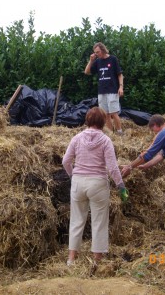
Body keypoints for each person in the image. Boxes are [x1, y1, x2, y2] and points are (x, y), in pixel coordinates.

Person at [62, 107, 128, 266]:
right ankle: (96, 261)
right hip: (98, 183)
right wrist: (121, 186)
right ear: (103, 122)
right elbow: (112, 168)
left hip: (78, 182)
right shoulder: (105, 140)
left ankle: (71, 259)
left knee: (77, 220)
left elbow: (65, 161)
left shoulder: (77, 138)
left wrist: (73, 175)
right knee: (99, 222)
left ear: (88, 120)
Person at [84, 42, 124, 134]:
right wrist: (91, 60)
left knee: (114, 113)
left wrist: (121, 87)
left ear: (103, 50)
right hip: (101, 92)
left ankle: (120, 133)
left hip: (112, 91)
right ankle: (111, 134)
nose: (96, 54)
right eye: (95, 52)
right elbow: (86, 72)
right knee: (105, 114)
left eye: (98, 52)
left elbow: (120, 75)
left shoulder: (113, 59)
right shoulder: (97, 61)